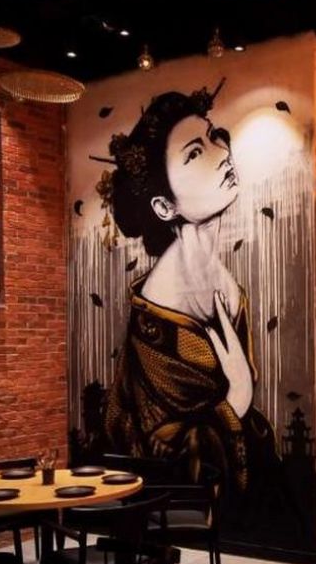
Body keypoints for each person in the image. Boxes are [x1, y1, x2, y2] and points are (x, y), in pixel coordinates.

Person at [101, 81, 275, 495]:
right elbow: (159, 447)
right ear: (165, 207)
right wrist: (236, 400)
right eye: (195, 153)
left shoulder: (226, 285)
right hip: (171, 503)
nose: (222, 152)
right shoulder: (156, 317)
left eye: (213, 137)